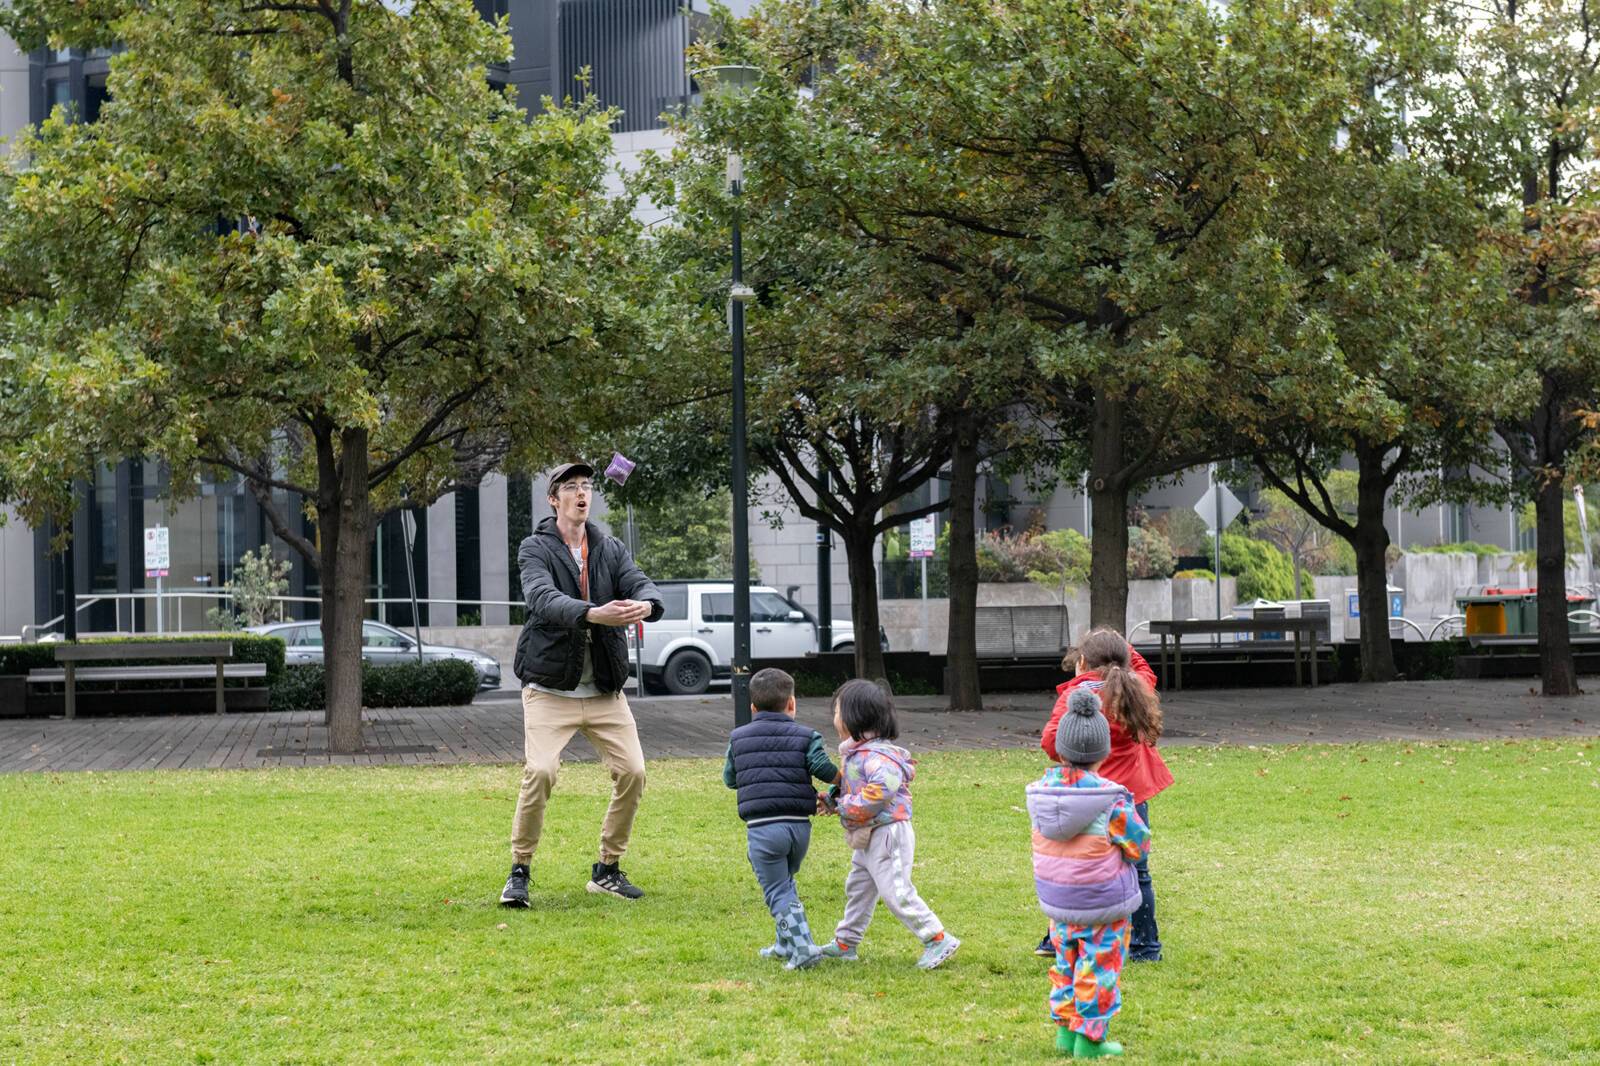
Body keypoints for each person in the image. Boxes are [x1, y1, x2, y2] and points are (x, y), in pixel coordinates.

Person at [499, 462, 663, 908]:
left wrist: (646, 605)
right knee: (542, 772)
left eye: (586, 486)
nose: (581, 493)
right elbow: (542, 598)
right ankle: (520, 870)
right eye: (570, 487)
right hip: (550, 689)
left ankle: (607, 869)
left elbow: (640, 583)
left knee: (634, 772)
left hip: (605, 691)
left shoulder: (609, 547)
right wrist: (594, 613)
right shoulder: (535, 548)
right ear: (554, 499)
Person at [1035, 628, 1171, 962]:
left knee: (1077, 863)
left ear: (1082, 662)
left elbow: (1051, 741)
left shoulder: (1076, 696)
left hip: (1085, 794)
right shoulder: (1136, 687)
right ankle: (1145, 944)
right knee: (1137, 869)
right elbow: (1145, 671)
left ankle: (1063, 936)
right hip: (1130, 794)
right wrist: (1123, 644)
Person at [1029, 687, 1151, 1059]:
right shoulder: (1111, 799)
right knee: (1099, 967)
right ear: (1103, 753)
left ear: (1060, 750)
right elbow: (1137, 845)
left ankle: (1065, 1033)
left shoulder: (1041, 795)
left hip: (1059, 903)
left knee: (1066, 964)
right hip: (1102, 904)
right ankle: (1090, 1040)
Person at [817, 679, 960, 970]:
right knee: (858, 887)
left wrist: (844, 807)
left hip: (888, 833)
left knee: (896, 891)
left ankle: (937, 937)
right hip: (869, 834)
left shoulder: (879, 756)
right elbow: (854, 786)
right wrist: (834, 799)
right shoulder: (858, 753)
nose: (834, 717)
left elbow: (882, 789)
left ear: (856, 717)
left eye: (838, 711)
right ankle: (846, 943)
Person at [721, 668, 840, 970]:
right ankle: (784, 943)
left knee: (776, 890)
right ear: (791, 704)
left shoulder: (738, 738)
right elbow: (821, 766)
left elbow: (730, 779)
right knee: (785, 884)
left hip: (764, 830)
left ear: (752, 708)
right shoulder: (806, 736)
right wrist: (843, 781)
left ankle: (803, 948)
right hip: (799, 828)